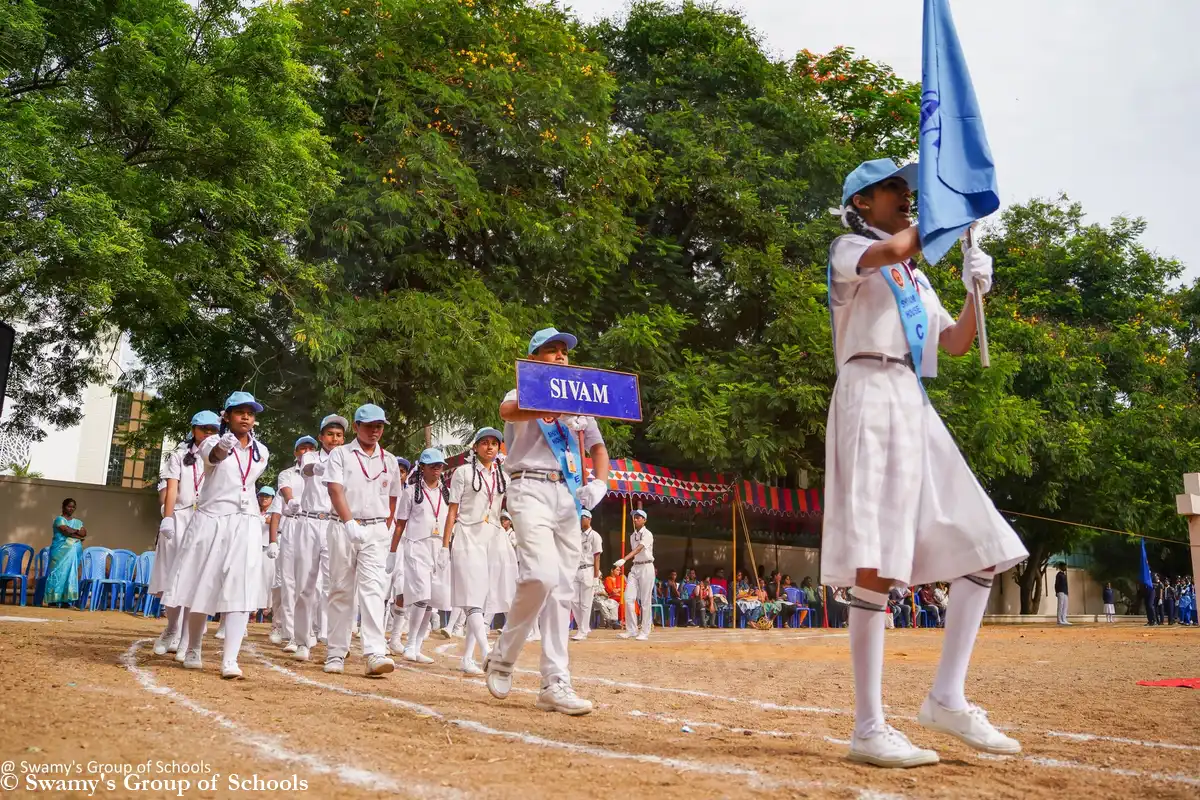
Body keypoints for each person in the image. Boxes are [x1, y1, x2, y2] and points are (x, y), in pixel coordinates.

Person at [824, 158, 1027, 767]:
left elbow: (955, 343)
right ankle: (868, 726)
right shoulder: (850, 250)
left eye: (907, 189)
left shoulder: (915, 276)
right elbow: (893, 252)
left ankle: (947, 697)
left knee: (985, 544)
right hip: (867, 392)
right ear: (862, 203)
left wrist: (974, 292)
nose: (906, 196)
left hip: (911, 398)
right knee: (877, 564)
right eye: (893, 189)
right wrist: (951, 214)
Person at [484, 327, 611, 717]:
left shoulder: (580, 405)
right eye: (552, 351)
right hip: (529, 488)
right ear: (535, 358)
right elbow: (508, 412)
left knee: (562, 591)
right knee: (539, 575)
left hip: (568, 495)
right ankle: (504, 655)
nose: (561, 356)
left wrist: (600, 484)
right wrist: (551, 400)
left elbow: (597, 446)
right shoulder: (520, 391)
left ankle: (555, 682)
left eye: (565, 352)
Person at [163, 391, 272, 679]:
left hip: (245, 521)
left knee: (241, 586)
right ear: (226, 416)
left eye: (250, 412)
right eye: (239, 412)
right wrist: (225, 444)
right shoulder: (211, 442)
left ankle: (230, 659)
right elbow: (213, 458)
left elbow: (248, 478)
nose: (246, 416)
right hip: (211, 520)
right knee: (203, 585)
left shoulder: (261, 451)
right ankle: (194, 647)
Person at [321, 404, 400, 677]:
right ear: (356, 427)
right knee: (341, 589)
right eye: (369, 426)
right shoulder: (341, 455)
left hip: (376, 530)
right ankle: (336, 652)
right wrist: (349, 521)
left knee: (373, 590)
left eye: (379, 426)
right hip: (344, 527)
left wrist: (385, 526)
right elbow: (334, 489)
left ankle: (375, 652)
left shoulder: (389, 460)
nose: (375, 431)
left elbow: (392, 496)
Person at [151, 411, 220, 654]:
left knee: (196, 579)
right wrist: (167, 518)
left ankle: (185, 639)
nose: (209, 434)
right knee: (172, 578)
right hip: (180, 518)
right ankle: (171, 628)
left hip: (204, 519)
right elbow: (171, 489)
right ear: (194, 430)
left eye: (213, 429)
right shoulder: (179, 456)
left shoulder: (221, 458)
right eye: (204, 429)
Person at [444, 428, 508, 674]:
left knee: (481, 599)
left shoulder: (502, 476)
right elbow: (452, 510)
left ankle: (467, 658)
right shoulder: (463, 472)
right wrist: (444, 545)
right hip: (468, 534)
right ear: (475, 447)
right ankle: (487, 651)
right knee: (472, 597)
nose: (490, 447)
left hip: (492, 536)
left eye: (494, 443)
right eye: (484, 443)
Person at [287, 415, 346, 661]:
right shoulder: (311, 456)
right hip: (309, 522)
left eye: (339, 435)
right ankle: (302, 640)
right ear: (321, 437)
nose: (334, 439)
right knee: (305, 586)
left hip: (334, 523)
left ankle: (333, 638)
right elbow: (308, 469)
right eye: (330, 434)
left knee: (335, 585)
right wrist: (320, 467)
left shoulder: (349, 460)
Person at [393, 448, 451, 665]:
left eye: (440, 465)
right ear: (423, 468)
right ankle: (408, 645)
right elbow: (400, 524)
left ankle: (416, 646)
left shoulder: (446, 493)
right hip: (417, 546)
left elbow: (449, 521)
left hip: (438, 548)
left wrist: (446, 547)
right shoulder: (410, 492)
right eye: (433, 465)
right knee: (422, 595)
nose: (437, 469)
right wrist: (392, 551)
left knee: (432, 600)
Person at [271, 436, 315, 646]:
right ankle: (289, 631)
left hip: (313, 524)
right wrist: (291, 501)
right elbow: (286, 491)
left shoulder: (323, 471)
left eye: (310, 448)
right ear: (295, 452)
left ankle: (310, 629)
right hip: (291, 523)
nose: (306, 451)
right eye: (302, 447)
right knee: (288, 580)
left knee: (310, 579)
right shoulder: (287, 474)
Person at [616, 508, 655, 640]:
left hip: (646, 566)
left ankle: (645, 631)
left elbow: (639, 549)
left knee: (645, 601)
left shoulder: (648, 534)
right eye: (634, 517)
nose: (635, 519)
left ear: (644, 520)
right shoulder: (633, 536)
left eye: (639, 517)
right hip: (635, 567)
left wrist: (624, 559)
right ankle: (631, 629)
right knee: (628, 598)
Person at [46, 498, 86, 607]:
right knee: (57, 573)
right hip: (59, 552)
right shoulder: (59, 519)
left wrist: (75, 532)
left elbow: (84, 532)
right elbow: (66, 531)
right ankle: (53, 600)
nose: (71, 508)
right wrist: (77, 533)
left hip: (73, 553)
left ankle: (65, 600)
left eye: (73, 507)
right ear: (63, 507)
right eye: (69, 506)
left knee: (69, 574)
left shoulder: (77, 522)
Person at [570, 509, 604, 641]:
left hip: (588, 569)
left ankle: (582, 630)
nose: (581, 519)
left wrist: (596, 577)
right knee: (574, 601)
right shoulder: (576, 535)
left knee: (586, 603)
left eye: (583, 517)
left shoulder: (595, 536)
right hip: (576, 569)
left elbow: (597, 557)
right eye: (580, 517)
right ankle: (582, 627)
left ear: (589, 519)